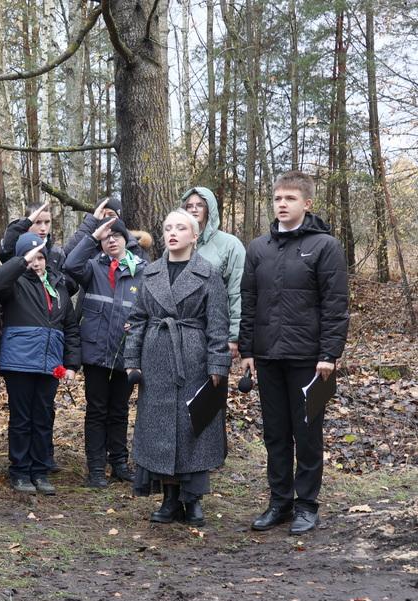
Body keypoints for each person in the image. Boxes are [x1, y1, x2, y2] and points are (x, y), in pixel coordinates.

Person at [241, 171, 349, 535]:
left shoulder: (325, 246)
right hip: (269, 355)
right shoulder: (258, 248)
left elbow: (335, 305)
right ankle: (280, 502)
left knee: (307, 432)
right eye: (277, 199)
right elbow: (249, 300)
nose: (282, 204)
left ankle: (307, 505)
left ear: (307, 203)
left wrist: (329, 354)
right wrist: (247, 350)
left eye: (290, 198)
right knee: (275, 432)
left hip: (310, 359)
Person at [124, 210, 231, 527]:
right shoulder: (151, 272)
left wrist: (217, 363)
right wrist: (132, 360)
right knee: (158, 427)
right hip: (155, 359)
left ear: (194, 235)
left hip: (193, 357)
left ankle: (193, 499)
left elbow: (218, 324)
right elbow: (138, 319)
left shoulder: (208, 274)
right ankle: (169, 499)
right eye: (168, 227)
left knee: (192, 427)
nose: (172, 233)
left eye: (181, 228)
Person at [0, 233, 80, 495]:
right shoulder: (14, 283)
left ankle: (39, 471)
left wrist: (72, 363)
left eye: (41, 257)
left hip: (50, 365)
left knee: (43, 419)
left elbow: (71, 328)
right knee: (22, 420)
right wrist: (21, 262)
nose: (37, 263)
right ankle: (19, 471)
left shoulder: (58, 284)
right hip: (19, 363)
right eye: (31, 258)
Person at [63, 216, 148, 488]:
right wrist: (91, 236)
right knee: (97, 410)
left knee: (120, 410)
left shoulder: (142, 271)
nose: (111, 240)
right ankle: (96, 468)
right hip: (96, 352)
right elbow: (70, 265)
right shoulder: (92, 267)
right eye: (106, 237)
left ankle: (119, 463)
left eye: (116, 236)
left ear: (126, 239)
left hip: (126, 353)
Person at [181, 187, 246, 358]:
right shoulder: (177, 243)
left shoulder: (230, 244)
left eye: (200, 205)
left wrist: (234, 335)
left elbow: (237, 292)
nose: (194, 209)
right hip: (181, 330)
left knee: (213, 381)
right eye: (189, 206)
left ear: (210, 208)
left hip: (215, 330)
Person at [0, 201, 66, 269]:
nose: (43, 228)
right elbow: (2, 254)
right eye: (38, 222)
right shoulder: (13, 247)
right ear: (28, 223)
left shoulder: (57, 253)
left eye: (47, 222)